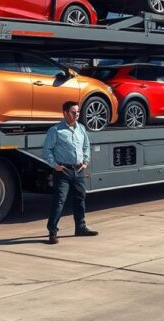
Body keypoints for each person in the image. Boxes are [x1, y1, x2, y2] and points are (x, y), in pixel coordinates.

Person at [43, 101, 99, 245]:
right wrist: (55, 165)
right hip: (63, 171)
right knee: (59, 201)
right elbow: (47, 150)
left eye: (78, 112)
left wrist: (85, 161)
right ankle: (52, 232)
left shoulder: (81, 128)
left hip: (78, 170)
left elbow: (86, 146)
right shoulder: (55, 130)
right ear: (65, 113)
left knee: (80, 198)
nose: (77, 115)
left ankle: (80, 227)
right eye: (74, 112)